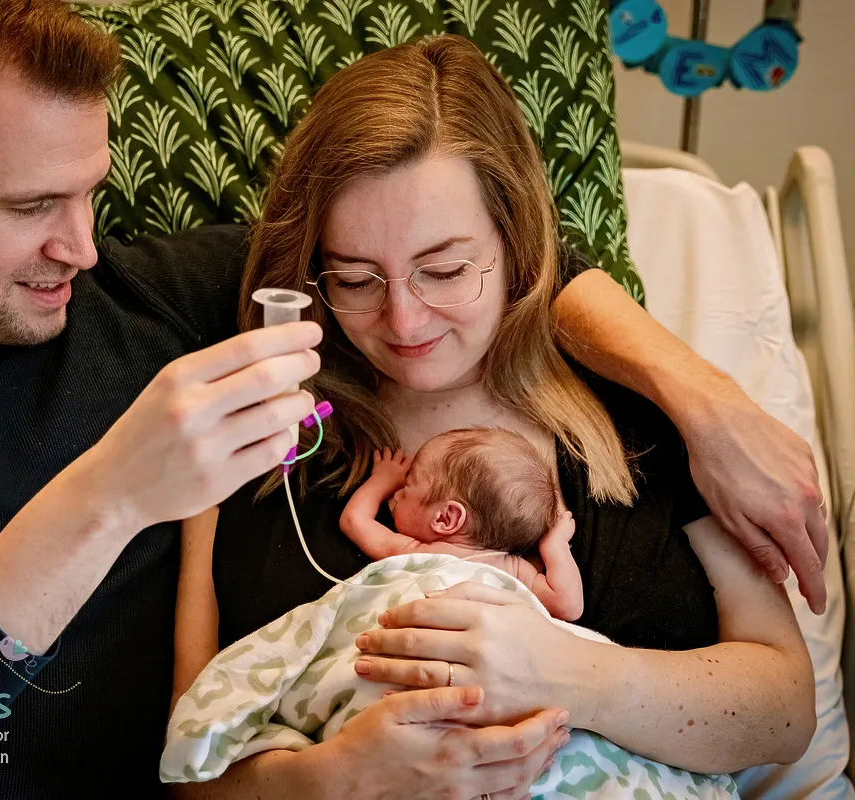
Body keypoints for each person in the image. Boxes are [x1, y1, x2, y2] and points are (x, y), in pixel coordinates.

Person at [0, 0, 821, 796]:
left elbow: (453, 259)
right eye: (32, 206)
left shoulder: (141, 295)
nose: (82, 247)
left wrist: (698, 391)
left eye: (94, 191)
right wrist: (115, 493)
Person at [174, 35, 815, 800]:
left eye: (444, 270)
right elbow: (193, 772)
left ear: (516, 241)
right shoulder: (261, 439)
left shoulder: (637, 417)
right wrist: (333, 780)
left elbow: (783, 712)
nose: (404, 320)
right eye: (354, 278)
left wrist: (573, 673)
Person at [340, 433, 582, 621]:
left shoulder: (419, 553)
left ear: (446, 518)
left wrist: (381, 480)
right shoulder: (514, 571)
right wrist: (556, 547)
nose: (398, 493)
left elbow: (354, 520)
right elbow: (568, 605)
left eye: (408, 485)